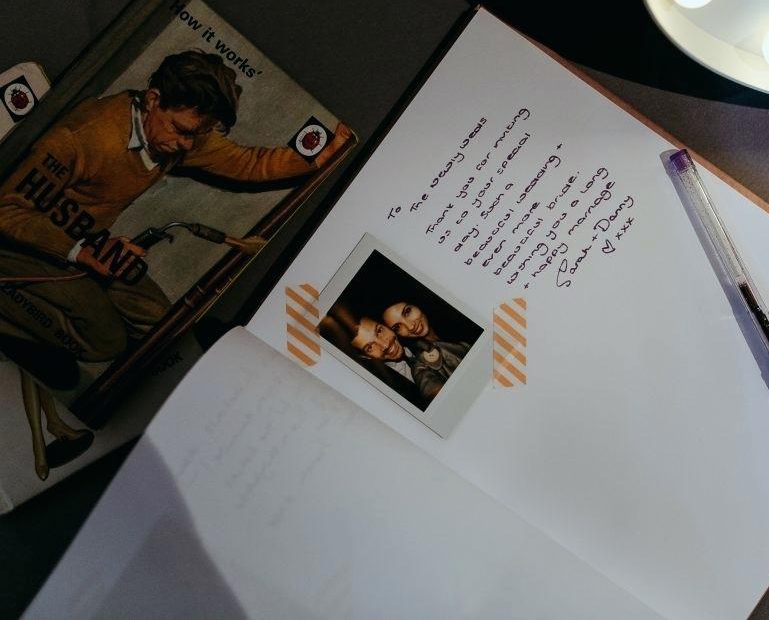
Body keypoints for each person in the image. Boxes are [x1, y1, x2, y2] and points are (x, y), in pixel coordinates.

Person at [0, 50, 352, 479]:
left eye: (196, 136)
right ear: (152, 100)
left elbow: (246, 162)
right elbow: (8, 209)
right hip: (32, 247)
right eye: (182, 131)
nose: (186, 146)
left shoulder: (180, 133)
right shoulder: (85, 135)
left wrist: (316, 157)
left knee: (159, 323)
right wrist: (79, 251)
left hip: (93, 247)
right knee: (104, 342)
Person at [382, 301, 472, 398]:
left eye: (407, 312)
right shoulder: (420, 365)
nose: (410, 326)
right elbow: (429, 386)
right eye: (397, 327)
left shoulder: (463, 316)